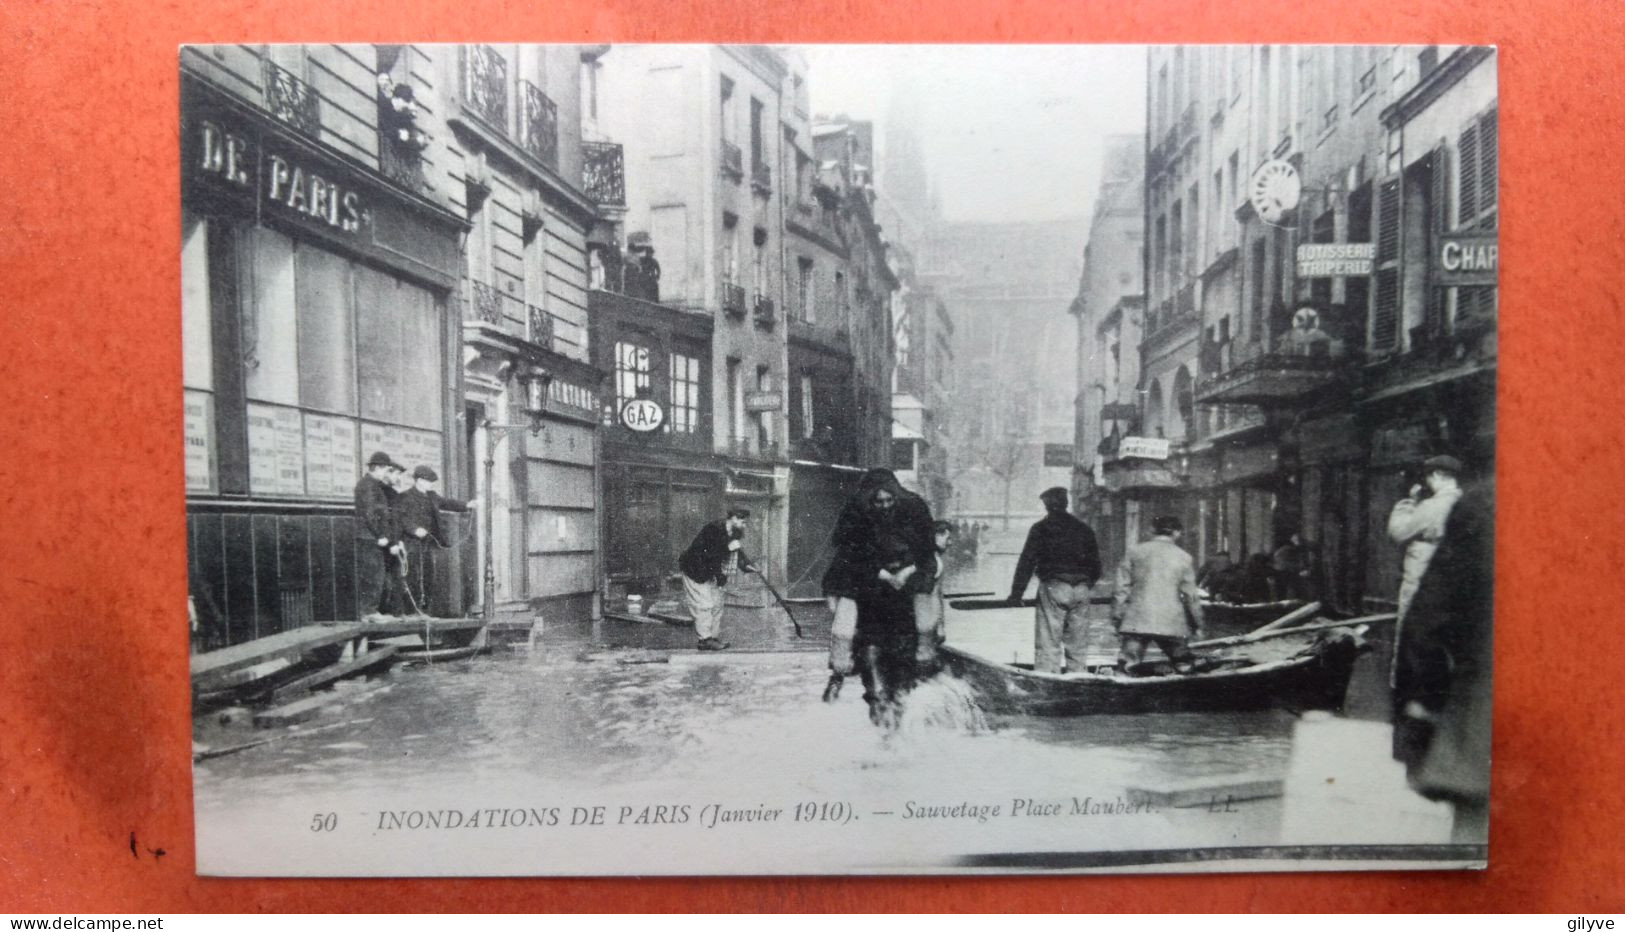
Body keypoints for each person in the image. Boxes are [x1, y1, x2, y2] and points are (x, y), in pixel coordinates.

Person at [1392, 477, 1494, 843]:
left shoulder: (1483, 500)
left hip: (1486, 721)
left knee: (1474, 855)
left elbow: (1427, 623)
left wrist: (1422, 708)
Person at [819, 469, 935, 720]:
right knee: (868, 654)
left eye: (888, 501)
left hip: (903, 595)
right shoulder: (856, 515)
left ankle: (910, 687)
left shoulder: (913, 508)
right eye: (878, 502)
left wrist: (905, 573)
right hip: (870, 596)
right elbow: (848, 559)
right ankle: (847, 680)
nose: (884, 506)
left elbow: (927, 555)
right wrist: (880, 574)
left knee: (906, 656)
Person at [1006, 487, 1103, 674]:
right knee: (1078, 645)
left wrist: (1016, 594)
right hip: (1081, 589)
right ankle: (1079, 678)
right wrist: (1084, 584)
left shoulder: (1040, 529)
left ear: (1047, 506)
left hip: (1054, 587)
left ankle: (1048, 679)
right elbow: (1097, 567)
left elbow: (1026, 563)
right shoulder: (1084, 529)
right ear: (1066, 503)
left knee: (1048, 642)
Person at [1111, 515, 1205, 675]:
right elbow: (1191, 596)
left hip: (1137, 618)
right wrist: (1198, 625)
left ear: (1151, 531)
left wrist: (1116, 618)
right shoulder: (1184, 557)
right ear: (1177, 533)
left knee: (1126, 665)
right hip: (1172, 621)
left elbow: (1121, 589)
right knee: (1183, 664)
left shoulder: (1134, 552)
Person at [1387, 455, 1465, 630]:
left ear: (1437, 474)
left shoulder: (1432, 505)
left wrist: (1409, 503)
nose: (1428, 483)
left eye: (1428, 477)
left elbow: (1398, 533)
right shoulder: (1464, 502)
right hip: (1454, 581)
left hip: (1421, 578)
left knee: (1409, 630)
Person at [392, 466, 472, 617]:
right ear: (420, 481)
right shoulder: (405, 497)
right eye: (430, 482)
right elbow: (401, 519)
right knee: (413, 576)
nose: (432, 485)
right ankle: (411, 612)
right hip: (411, 544)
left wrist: (467, 505)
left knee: (428, 575)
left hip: (428, 544)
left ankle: (424, 610)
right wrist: (414, 529)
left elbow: (447, 503)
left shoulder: (432, 496)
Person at [678, 508, 754, 651]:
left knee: (717, 604)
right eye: (743, 522)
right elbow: (710, 555)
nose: (745, 526)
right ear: (734, 518)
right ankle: (704, 640)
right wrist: (726, 551)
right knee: (704, 604)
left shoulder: (733, 533)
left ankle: (713, 638)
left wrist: (747, 565)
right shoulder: (713, 530)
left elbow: (737, 552)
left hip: (711, 572)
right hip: (695, 570)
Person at [354, 452, 401, 623]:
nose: (386, 473)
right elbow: (370, 513)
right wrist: (380, 535)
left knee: (376, 573)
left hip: (370, 536)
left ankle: (370, 611)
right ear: (378, 468)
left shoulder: (373, 485)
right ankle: (368, 612)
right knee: (372, 574)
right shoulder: (368, 486)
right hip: (369, 537)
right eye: (386, 469)